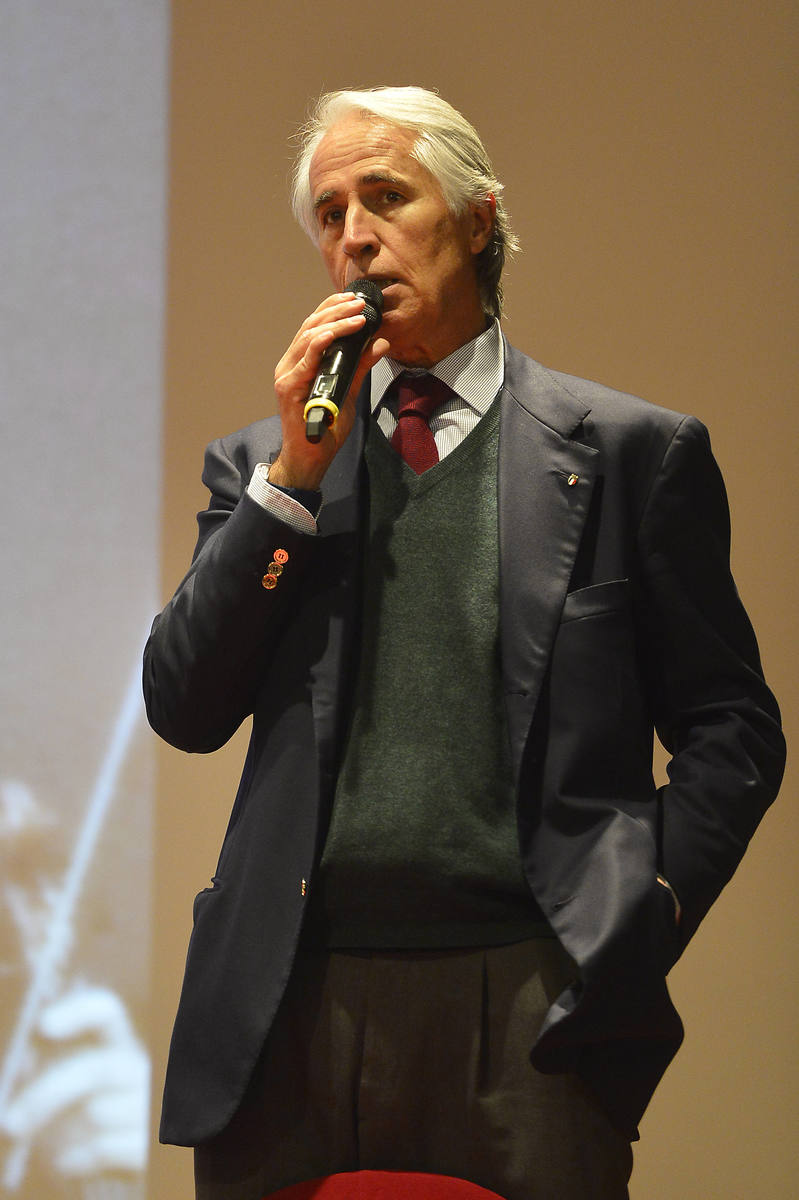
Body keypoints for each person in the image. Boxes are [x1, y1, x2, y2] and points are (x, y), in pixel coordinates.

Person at [143, 86, 785, 1200]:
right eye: (330, 214)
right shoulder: (263, 467)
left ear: (479, 220)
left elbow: (731, 727)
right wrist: (289, 484)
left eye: (385, 197)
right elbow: (184, 707)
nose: (353, 237)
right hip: (288, 995)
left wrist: (650, 904)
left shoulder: (631, 452)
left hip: (532, 995)